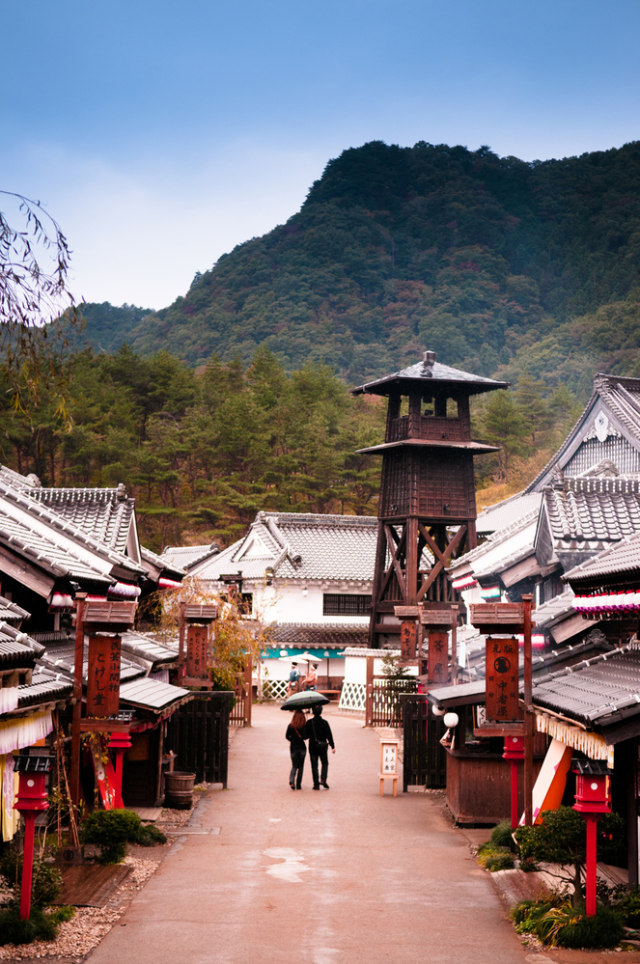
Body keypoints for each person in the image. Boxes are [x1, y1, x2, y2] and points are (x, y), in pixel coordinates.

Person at [303, 704, 335, 790]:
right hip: (323, 746)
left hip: (313, 746)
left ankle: (316, 784)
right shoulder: (325, 723)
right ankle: (323, 779)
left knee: (314, 765)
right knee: (325, 763)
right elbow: (329, 735)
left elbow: (305, 736)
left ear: (313, 712)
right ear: (321, 711)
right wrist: (332, 746)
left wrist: (305, 726)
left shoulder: (309, 723)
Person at [286, 709, 307, 789]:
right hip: (302, 748)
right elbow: (306, 737)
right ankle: (298, 784)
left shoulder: (290, 726)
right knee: (301, 766)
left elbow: (287, 736)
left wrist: (292, 740)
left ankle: (292, 780)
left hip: (293, 747)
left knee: (294, 765)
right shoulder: (304, 726)